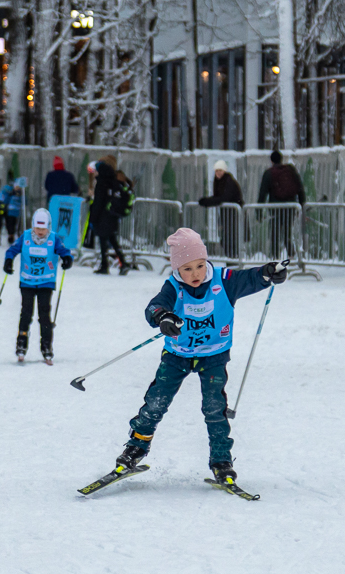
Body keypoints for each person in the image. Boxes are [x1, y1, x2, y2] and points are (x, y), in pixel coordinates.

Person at [112, 228, 289, 484]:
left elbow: (250, 278)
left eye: (199, 266)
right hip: (177, 355)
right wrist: (163, 317)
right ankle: (135, 449)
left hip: (214, 357)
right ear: (177, 269)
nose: (195, 274)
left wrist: (268, 272)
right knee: (156, 402)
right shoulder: (173, 286)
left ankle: (221, 461)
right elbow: (155, 306)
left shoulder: (223, 280)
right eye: (187, 269)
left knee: (215, 408)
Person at [3, 208, 74, 364]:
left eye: (43, 228)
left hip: (45, 282)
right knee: (26, 312)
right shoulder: (26, 237)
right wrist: (8, 261)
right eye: (37, 228)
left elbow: (64, 251)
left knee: (44, 315)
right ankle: (21, 343)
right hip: (27, 281)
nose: (40, 232)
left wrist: (67, 258)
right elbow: (13, 249)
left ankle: (46, 346)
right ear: (33, 226)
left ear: (48, 227)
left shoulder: (54, 239)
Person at [257, 150, 305, 258]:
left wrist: (258, 212)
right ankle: (291, 256)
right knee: (288, 232)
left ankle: (275, 258)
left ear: (271, 160)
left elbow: (262, 194)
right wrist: (303, 205)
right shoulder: (291, 170)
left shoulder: (269, 173)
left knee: (275, 233)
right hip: (290, 207)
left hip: (275, 208)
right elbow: (300, 188)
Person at [88, 157, 131, 275]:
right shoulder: (113, 180)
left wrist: (93, 217)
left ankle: (104, 265)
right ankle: (123, 262)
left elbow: (98, 202)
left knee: (103, 242)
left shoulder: (101, 182)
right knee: (113, 240)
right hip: (112, 216)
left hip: (103, 217)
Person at [198, 160, 245, 257]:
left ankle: (233, 262)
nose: (218, 173)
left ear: (224, 171)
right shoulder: (218, 181)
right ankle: (231, 261)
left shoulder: (229, 181)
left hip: (233, 215)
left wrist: (207, 202)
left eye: (220, 170)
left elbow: (224, 198)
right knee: (226, 240)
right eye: (216, 171)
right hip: (227, 215)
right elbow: (218, 197)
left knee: (230, 240)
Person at [0, 170, 23, 246]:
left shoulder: (10, 187)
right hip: (2, 207)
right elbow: (5, 196)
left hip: (4, 207)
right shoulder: (7, 188)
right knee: (1, 221)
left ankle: (9, 236)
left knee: (6, 222)